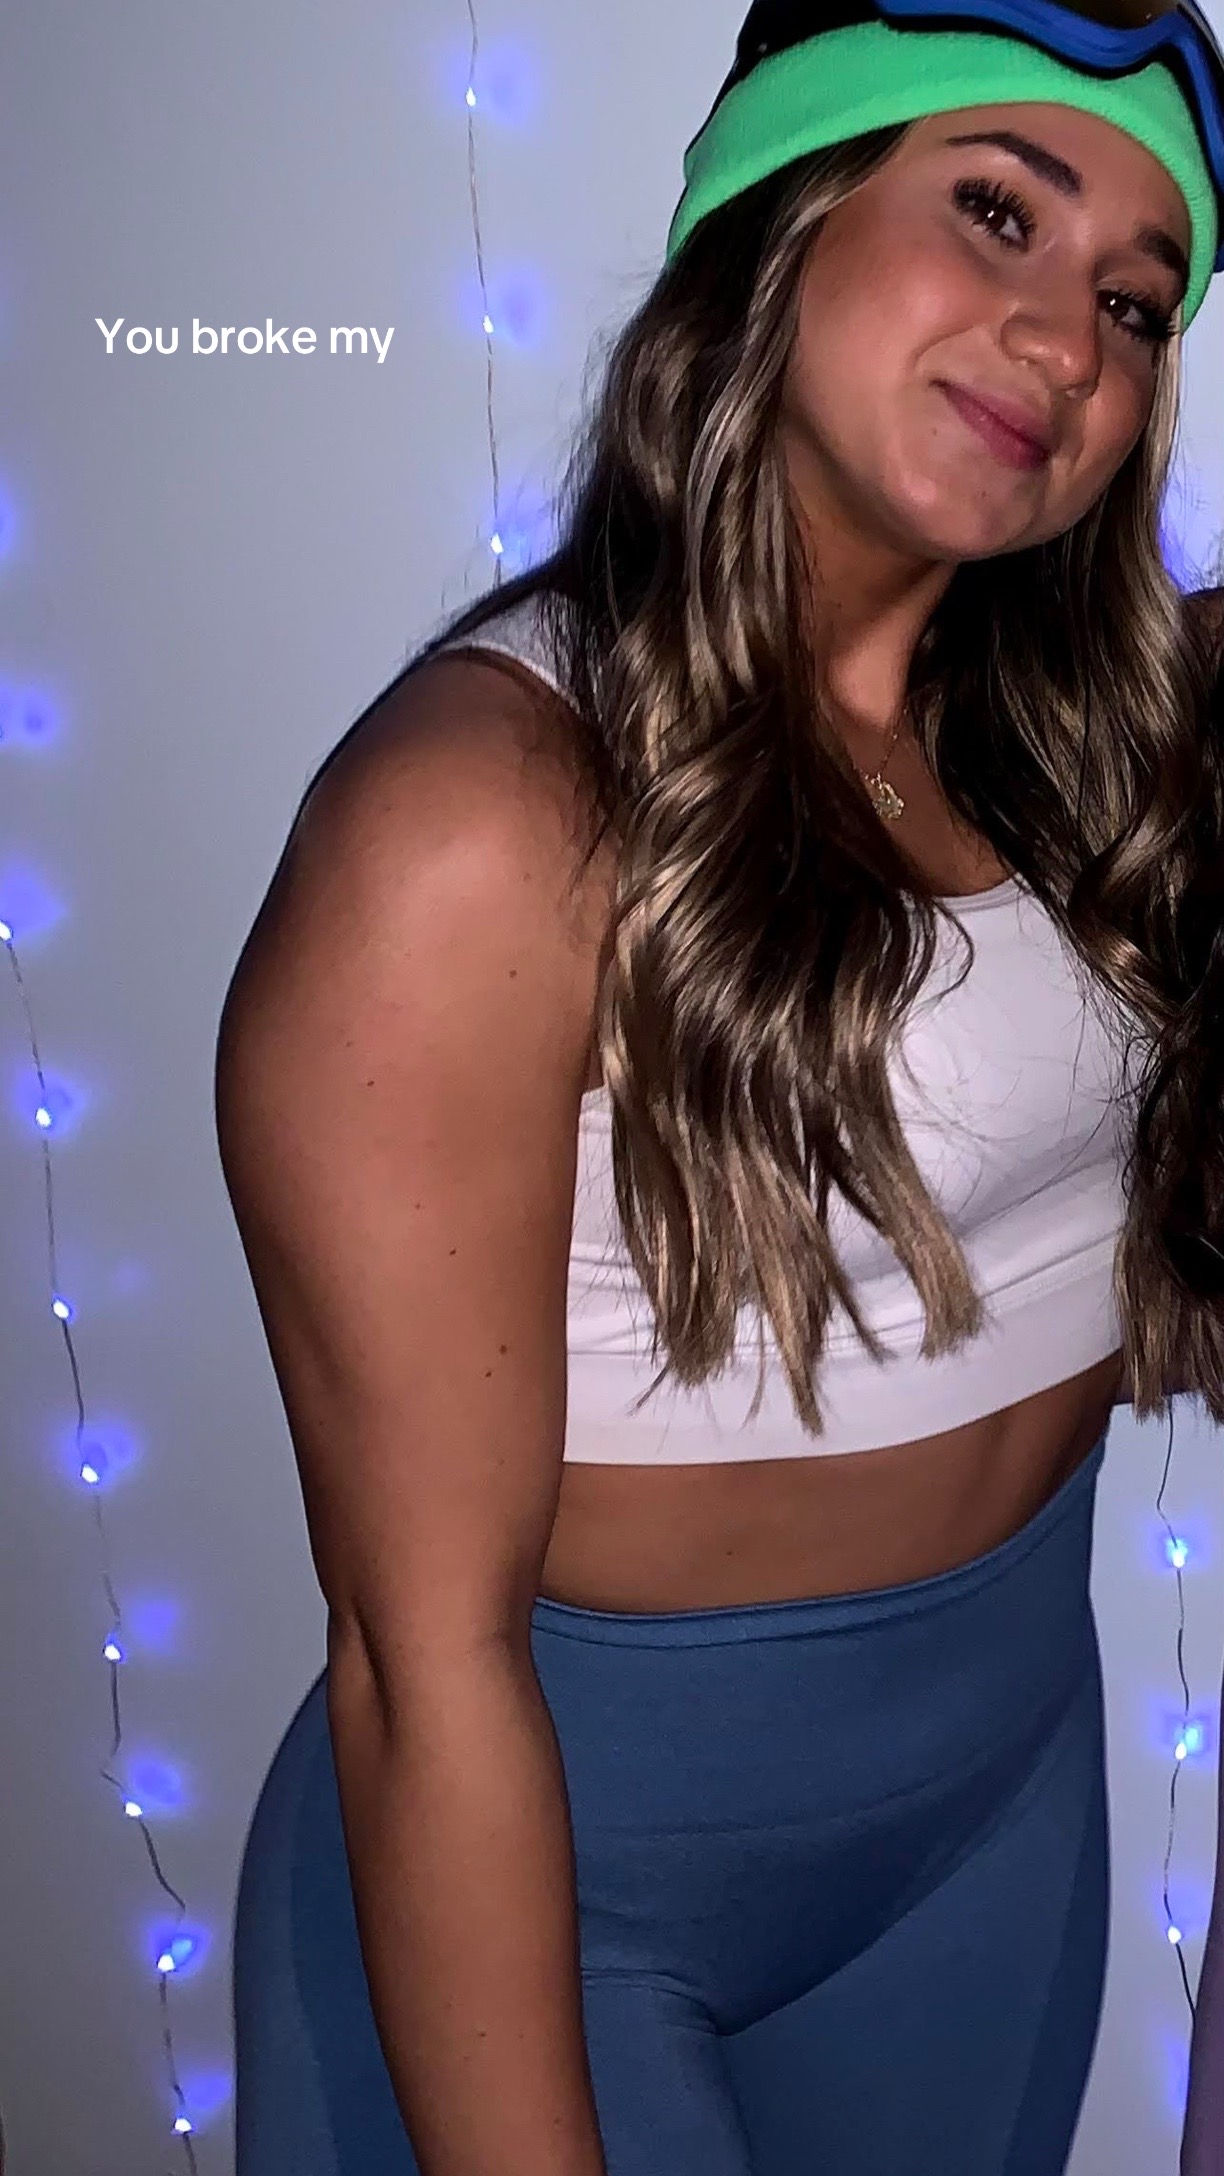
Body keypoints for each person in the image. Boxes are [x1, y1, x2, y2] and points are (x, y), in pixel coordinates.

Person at [216, 1, 1224, 2170]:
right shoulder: (479, 819)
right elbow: (419, 1657)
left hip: (994, 1819)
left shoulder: (1100, 751)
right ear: (785, 204)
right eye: (996, 210)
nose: (1066, 339)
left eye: (1139, 300)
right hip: (553, 1889)